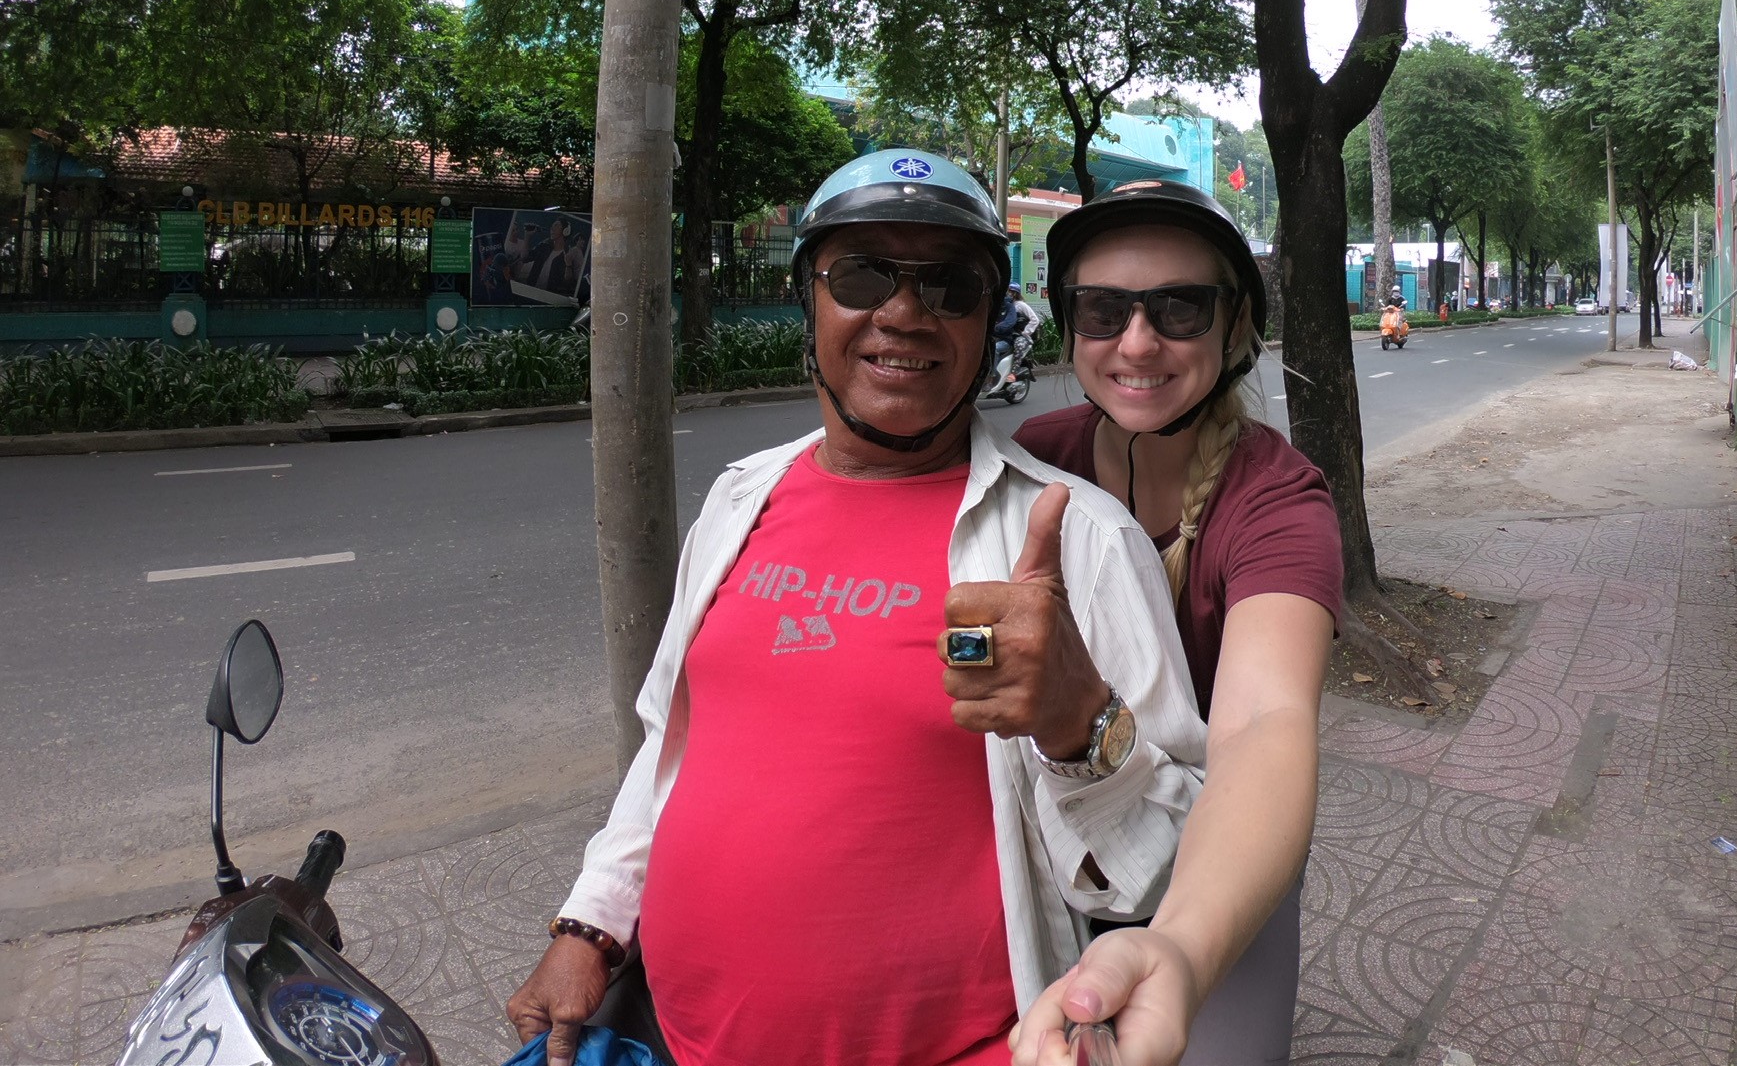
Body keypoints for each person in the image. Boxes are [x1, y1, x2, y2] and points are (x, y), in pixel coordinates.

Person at [506, 150, 1204, 1066]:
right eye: (863, 276)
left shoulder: (1084, 540)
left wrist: (1081, 724)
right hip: (674, 1041)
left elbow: (1176, 858)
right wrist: (590, 924)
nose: (903, 312)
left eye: (949, 286)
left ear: (989, 322)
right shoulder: (738, 498)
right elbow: (668, 743)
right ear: (810, 302)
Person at [1007, 180, 1343, 1066]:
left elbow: (1265, 725)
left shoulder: (1277, 500)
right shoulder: (1032, 461)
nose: (1136, 342)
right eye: (1102, 308)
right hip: (1058, 828)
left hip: (1216, 845)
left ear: (1234, 326)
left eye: (1179, 307)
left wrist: (1184, 952)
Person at [990, 282, 1042, 389]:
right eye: (1008, 291)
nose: (1009, 293)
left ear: (1015, 293)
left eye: (1011, 292)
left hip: (1020, 336)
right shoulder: (1004, 305)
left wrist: (1026, 332)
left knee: (1019, 346)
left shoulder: (1020, 305)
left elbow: (1035, 319)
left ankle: (1013, 373)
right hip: (1009, 335)